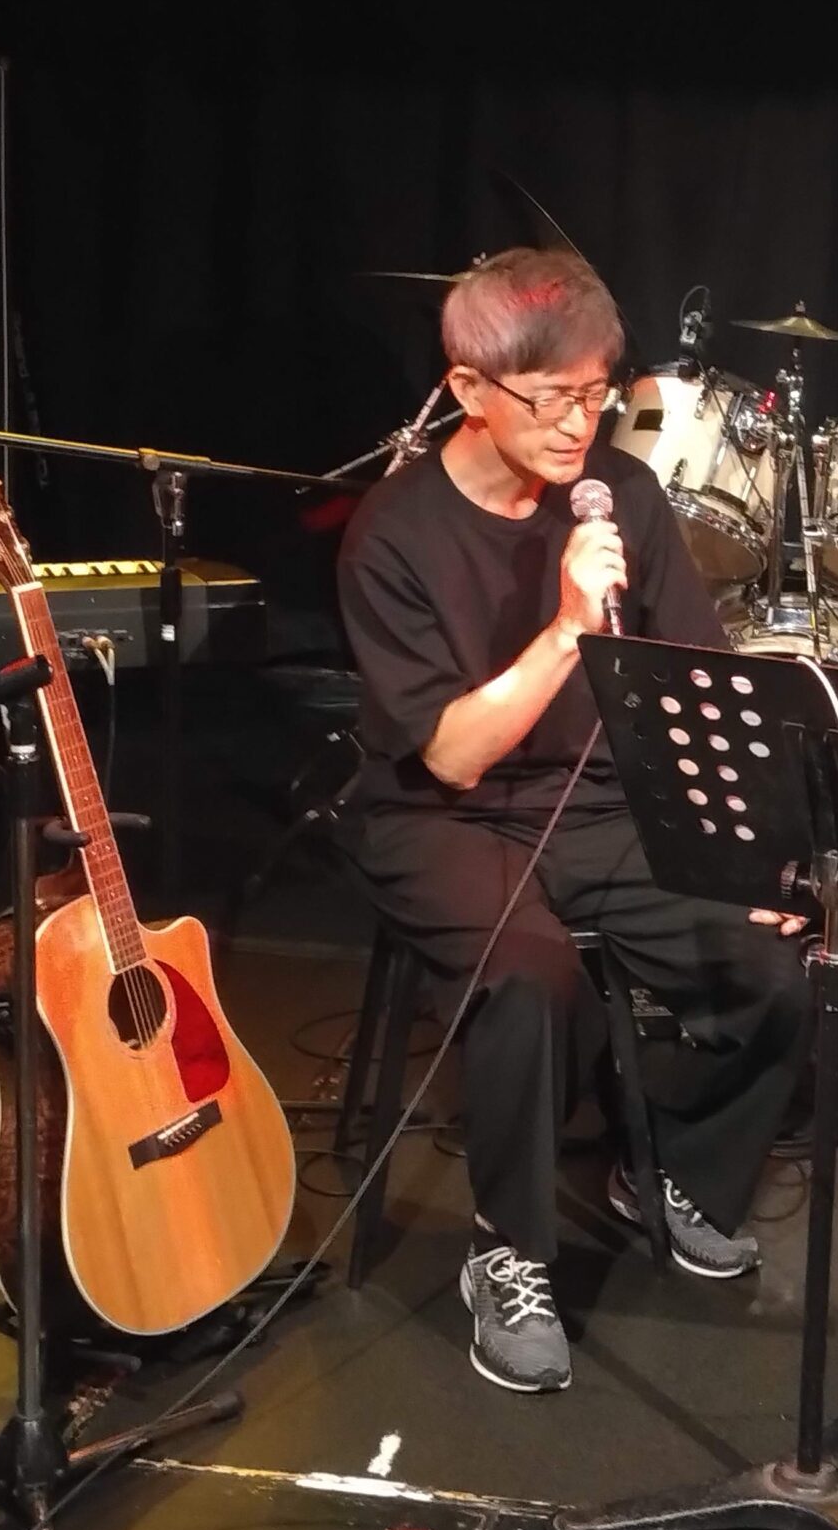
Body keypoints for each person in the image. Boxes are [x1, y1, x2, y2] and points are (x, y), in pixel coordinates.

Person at [336, 247, 811, 1395]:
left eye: (596, 395)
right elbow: (451, 753)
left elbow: (698, 683)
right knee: (530, 977)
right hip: (442, 814)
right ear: (468, 389)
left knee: (771, 968)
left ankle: (670, 1170)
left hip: (598, 801)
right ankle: (508, 1248)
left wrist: (747, 848)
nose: (576, 425)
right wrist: (564, 631)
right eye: (550, 399)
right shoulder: (391, 534)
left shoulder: (624, 494)